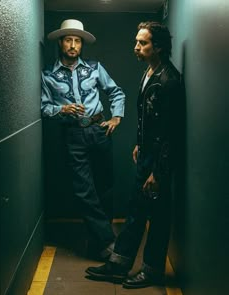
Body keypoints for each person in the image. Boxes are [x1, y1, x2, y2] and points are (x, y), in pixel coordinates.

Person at [85, 21, 182, 288]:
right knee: (136, 211)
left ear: (158, 47)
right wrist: (140, 143)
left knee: (158, 216)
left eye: (143, 42)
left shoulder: (169, 80)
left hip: (158, 162)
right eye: (137, 41)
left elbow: (169, 133)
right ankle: (119, 264)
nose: (136, 47)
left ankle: (152, 271)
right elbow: (149, 120)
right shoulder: (151, 72)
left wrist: (158, 173)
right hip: (147, 155)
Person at [41, 19, 125, 260]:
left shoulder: (95, 67)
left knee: (105, 186)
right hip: (73, 134)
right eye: (68, 40)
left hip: (99, 130)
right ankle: (109, 242)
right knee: (83, 190)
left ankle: (98, 240)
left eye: (77, 41)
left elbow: (116, 91)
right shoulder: (48, 75)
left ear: (81, 45)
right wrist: (62, 110)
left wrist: (116, 117)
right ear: (60, 42)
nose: (73, 45)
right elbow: (44, 107)